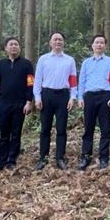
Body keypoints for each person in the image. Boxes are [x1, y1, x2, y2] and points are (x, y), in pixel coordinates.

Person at [33, 32, 77, 170]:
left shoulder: (69, 60)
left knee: (61, 128)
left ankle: (60, 157)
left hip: (63, 96)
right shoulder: (43, 59)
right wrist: (37, 97)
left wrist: (72, 97)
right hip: (47, 95)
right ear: (50, 42)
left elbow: (73, 81)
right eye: (55, 39)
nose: (58, 41)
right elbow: (38, 80)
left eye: (60, 39)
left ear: (63, 42)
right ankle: (43, 157)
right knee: (45, 128)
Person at [77, 35, 110, 170]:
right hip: (89, 96)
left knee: (105, 129)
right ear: (92, 45)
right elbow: (81, 81)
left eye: (102, 43)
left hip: (105, 96)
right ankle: (86, 157)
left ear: (105, 46)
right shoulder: (86, 62)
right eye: (97, 42)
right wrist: (80, 97)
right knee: (88, 128)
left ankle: (104, 158)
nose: (99, 45)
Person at [0, 37, 34, 171]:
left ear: (20, 48)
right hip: (3, 103)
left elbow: (30, 83)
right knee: (4, 133)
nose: (14, 47)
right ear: (6, 48)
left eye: (16, 44)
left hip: (20, 104)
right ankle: (1, 159)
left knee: (16, 133)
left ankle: (12, 159)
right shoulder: (0, 64)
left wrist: (29, 101)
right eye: (11, 45)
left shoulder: (26, 64)